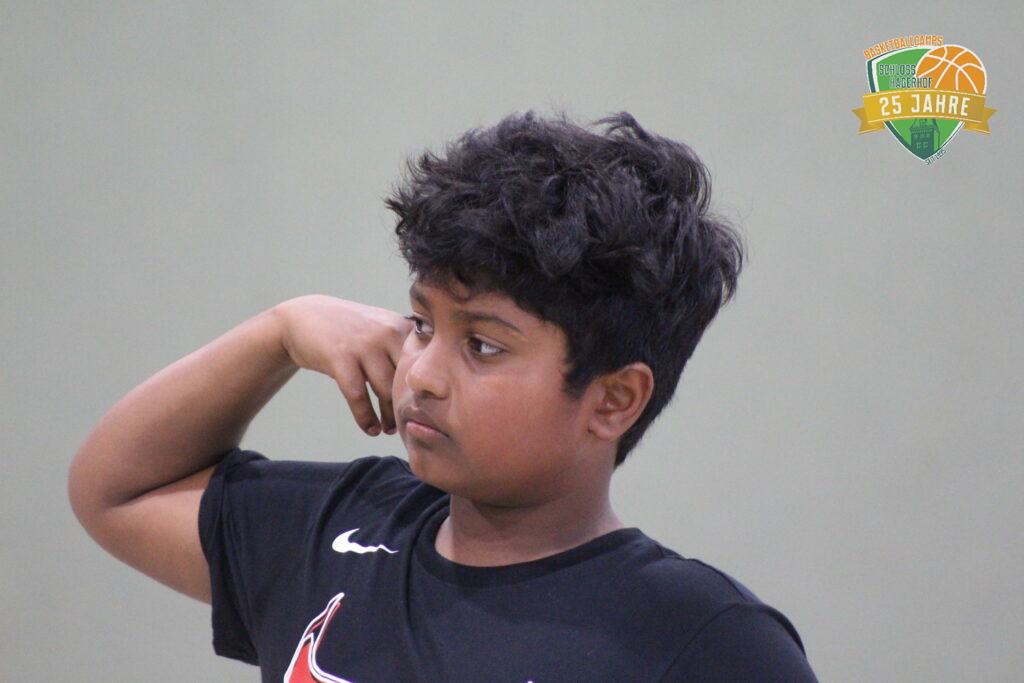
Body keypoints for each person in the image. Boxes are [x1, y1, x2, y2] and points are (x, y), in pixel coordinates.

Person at [69, 110, 818, 681]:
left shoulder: (703, 639)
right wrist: (278, 332)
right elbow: (116, 490)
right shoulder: (334, 528)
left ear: (614, 400)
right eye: (422, 324)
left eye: (483, 344)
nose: (421, 372)